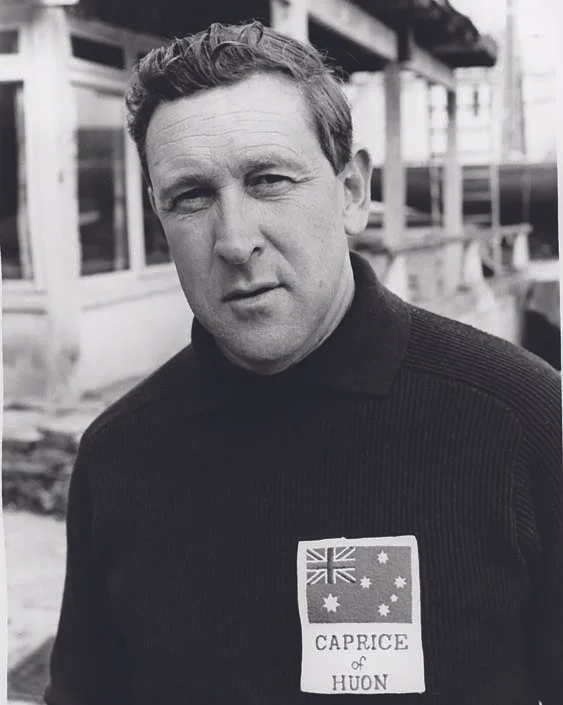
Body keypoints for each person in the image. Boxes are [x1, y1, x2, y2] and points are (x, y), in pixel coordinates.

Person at [45, 21, 562, 705]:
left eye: (268, 180)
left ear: (352, 191)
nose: (234, 241)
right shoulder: (119, 456)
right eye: (191, 196)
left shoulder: (521, 421)